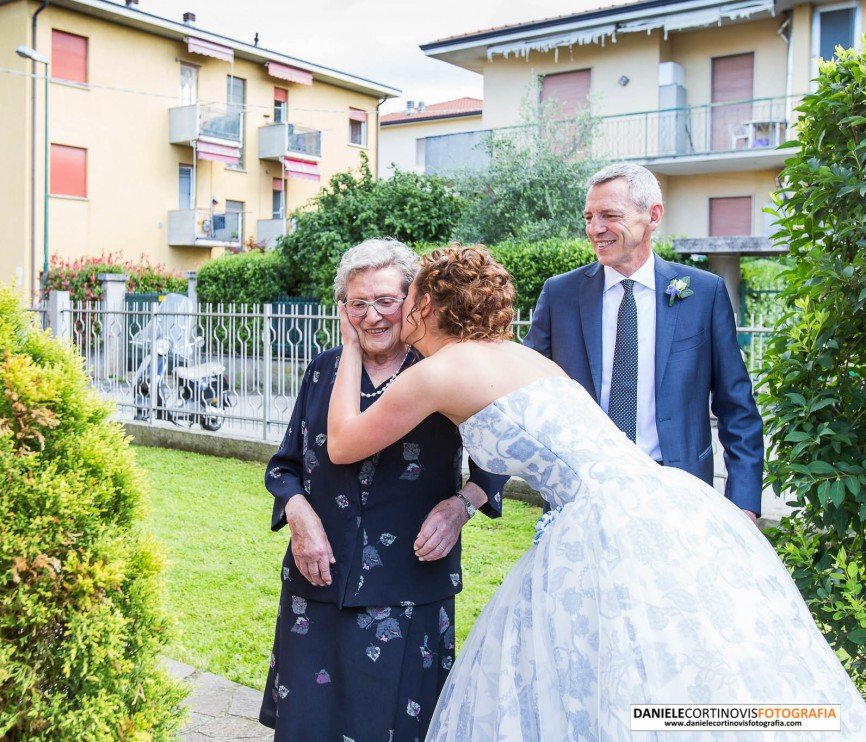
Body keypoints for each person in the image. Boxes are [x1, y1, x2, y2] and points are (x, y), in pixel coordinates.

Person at [326, 247, 866, 740]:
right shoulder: (522, 357)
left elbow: (345, 444)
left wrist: (350, 348)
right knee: (671, 657)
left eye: (408, 294)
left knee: (599, 667)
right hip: (664, 500)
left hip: (605, 521)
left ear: (427, 302)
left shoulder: (440, 371)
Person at [259, 239, 508, 740]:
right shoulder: (324, 369)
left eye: (386, 301)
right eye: (358, 304)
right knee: (309, 725)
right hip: (319, 581)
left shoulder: (444, 372)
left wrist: (462, 505)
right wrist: (300, 515)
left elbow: (498, 462)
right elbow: (284, 465)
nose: (372, 317)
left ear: (414, 302)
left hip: (409, 586)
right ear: (343, 309)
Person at [525, 163, 764, 522]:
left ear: (652, 216)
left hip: (679, 494)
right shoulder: (560, 294)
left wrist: (743, 504)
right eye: (589, 217)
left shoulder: (703, 293)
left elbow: (737, 407)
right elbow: (523, 393)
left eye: (609, 215)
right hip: (581, 494)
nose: (595, 229)